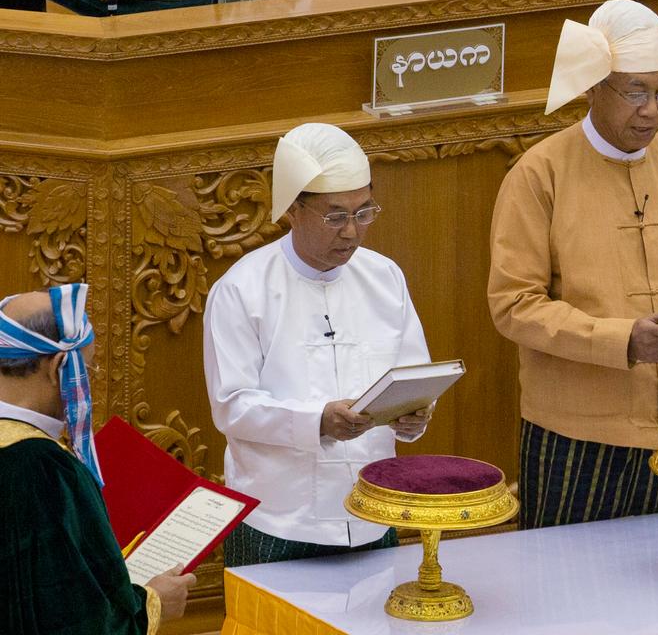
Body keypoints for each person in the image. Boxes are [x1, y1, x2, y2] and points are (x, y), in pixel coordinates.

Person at [489, 0, 658, 529]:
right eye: (636, 92)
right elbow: (513, 305)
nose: (653, 109)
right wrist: (622, 340)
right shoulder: (540, 173)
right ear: (592, 88)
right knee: (570, 592)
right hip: (575, 436)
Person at [204, 123, 434, 566]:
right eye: (335, 216)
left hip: (373, 508)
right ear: (294, 209)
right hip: (278, 519)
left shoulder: (384, 277)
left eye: (364, 213)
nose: (351, 232)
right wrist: (318, 422)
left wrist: (414, 415)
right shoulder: (243, 289)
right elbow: (231, 406)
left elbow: (411, 377)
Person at [0, 284, 195, 633]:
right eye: (87, 370)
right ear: (59, 367)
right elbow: (74, 619)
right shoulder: (42, 468)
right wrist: (154, 603)